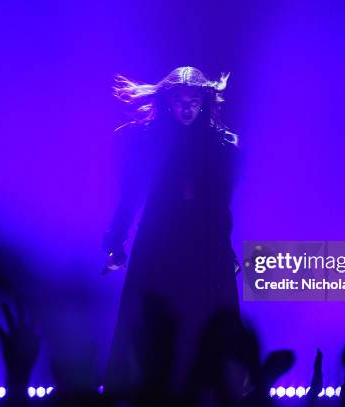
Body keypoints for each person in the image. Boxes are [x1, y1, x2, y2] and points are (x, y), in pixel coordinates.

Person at [103, 66, 241, 400]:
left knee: (203, 312)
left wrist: (227, 248)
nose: (188, 108)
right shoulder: (148, 140)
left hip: (205, 237)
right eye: (181, 101)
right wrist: (115, 240)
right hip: (160, 234)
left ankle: (209, 386)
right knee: (153, 310)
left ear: (204, 102)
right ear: (168, 102)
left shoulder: (220, 144)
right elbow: (129, 193)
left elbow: (222, 202)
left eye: (194, 100)